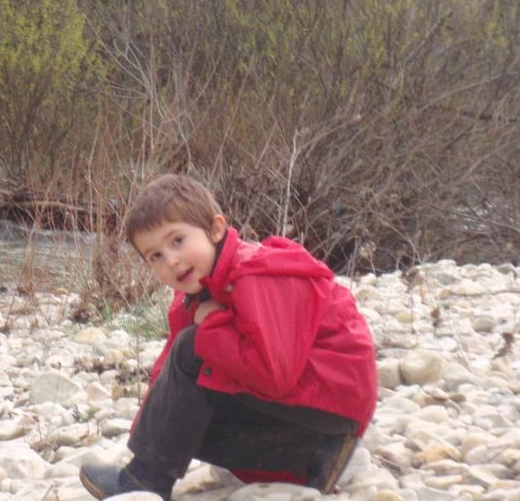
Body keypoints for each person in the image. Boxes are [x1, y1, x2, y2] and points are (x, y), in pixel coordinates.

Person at [80, 174, 377, 501]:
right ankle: (311, 462)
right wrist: (148, 437)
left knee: (192, 349)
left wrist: (214, 324)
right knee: (179, 412)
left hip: (333, 406)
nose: (171, 260)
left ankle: (145, 483)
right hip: (308, 415)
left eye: (177, 240)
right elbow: (170, 380)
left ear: (216, 229)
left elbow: (274, 376)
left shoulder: (256, 275)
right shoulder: (194, 298)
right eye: (155, 256)